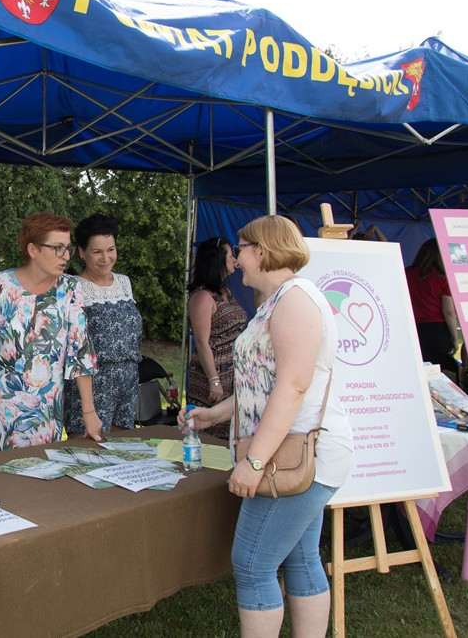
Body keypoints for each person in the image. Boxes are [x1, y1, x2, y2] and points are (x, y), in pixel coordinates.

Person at [178, 215, 353, 637]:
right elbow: (265, 385)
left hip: (297, 454)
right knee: (301, 558)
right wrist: (214, 415)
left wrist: (253, 463)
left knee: (253, 564)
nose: (235, 260)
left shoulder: (294, 299)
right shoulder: (277, 301)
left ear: (263, 250)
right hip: (296, 452)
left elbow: (292, 387)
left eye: (241, 249)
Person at [0, 212, 101, 455]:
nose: (66, 256)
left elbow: (81, 352)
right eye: (58, 248)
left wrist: (89, 413)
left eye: (67, 248)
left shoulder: (71, 288)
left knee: (38, 489)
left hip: (45, 419)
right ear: (33, 250)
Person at [63, 214, 142, 435]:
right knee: (87, 454)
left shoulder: (124, 282)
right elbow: (74, 345)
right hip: (92, 385)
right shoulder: (73, 287)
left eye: (111, 249)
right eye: (97, 251)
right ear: (82, 252)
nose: (105, 258)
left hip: (127, 384)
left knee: (121, 454)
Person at [186, 236, 247, 439]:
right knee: (209, 432)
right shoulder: (202, 297)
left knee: (228, 431)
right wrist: (214, 381)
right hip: (213, 374)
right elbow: (202, 343)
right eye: (231, 255)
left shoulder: (224, 291)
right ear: (218, 259)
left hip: (232, 373)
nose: (235, 260)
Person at [406, 238, 460, 376]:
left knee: (418, 370)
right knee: (438, 373)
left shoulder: (407, 273)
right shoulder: (442, 277)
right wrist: (455, 338)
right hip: (437, 331)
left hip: (413, 328)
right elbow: (449, 311)